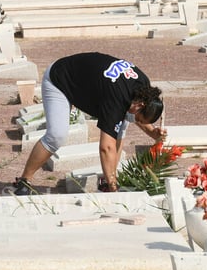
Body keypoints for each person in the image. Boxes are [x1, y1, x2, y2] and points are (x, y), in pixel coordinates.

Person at [11, 52, 165, 195]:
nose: (138, 122)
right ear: (140, 105)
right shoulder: (117, 99)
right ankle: (24, 181)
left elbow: (135, 116)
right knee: (56, 135)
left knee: (120, 128)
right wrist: (114, 189)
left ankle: (107, 180)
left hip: (85, 80)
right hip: (59, 79)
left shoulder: (144, 88)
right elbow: (106, 147)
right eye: (139, 119)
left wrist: (152, 132)